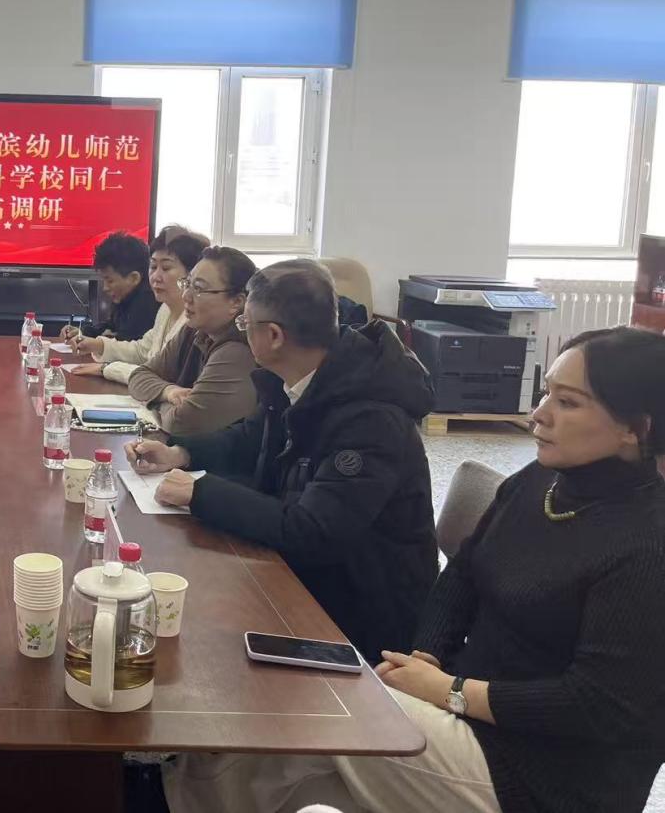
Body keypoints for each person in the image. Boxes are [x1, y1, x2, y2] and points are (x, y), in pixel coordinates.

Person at [164, 327, 665, 813]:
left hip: (539, 773)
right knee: (270, 748)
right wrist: (428, 656)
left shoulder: (647, 544)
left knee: (301, 710)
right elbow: (463, 576)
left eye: (568, 402)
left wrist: (450, 692)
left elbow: (598, 706)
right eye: (546, 392)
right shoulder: (541, 480)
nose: (539, 414)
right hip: (464, 710)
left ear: (636, 429)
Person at [128, 259, 437, 665]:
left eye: (245, 323)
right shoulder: (299, 377)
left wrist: (201, 493)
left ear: (273, 335)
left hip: (357, 620)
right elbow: (251, 436)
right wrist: (181, 452)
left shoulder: (371, 419)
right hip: (298, 576)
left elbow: (312, 531)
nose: (242, 331)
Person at [128, 246, 260, 440]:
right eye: (187, 284)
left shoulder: (238, 351)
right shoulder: (194, 330)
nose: (186, 296)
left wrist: (155, 403)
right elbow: (139, 376)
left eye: (198, 288)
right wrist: (168, 392)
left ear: (236, 302)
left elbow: (181, 424)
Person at [73, 230, 208, 383]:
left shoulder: (196, 321)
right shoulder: (165, 309)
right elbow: (142, 351)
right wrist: (99, 345)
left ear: (192, 274)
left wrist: (106, 369)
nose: (155, 277)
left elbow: (161, 375)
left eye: (166, 268)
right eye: (153, 266)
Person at [60, 231, 156, 343]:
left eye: (110, 281)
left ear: (134, 278)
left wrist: (103, 341)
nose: (105, 288)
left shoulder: (148, 302)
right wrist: (82, 332)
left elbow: (129, 344)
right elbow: (111, 326)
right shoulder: (126, 297)